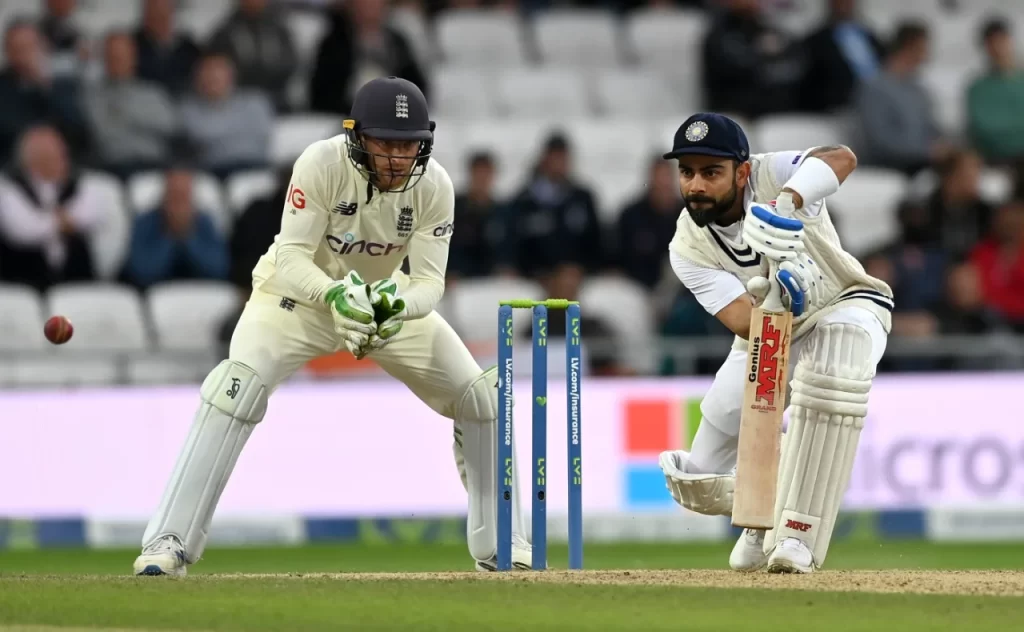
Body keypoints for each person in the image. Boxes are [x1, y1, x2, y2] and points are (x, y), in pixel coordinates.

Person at [133, 77, 531, 576]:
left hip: (381, 307)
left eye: (408, 145)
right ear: (356, 137)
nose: (396, 158)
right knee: (235, 389)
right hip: (296, 300)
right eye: (385, 143)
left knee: (481, 398)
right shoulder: (320, 164)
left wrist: (392, 308)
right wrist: (335, 295)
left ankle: (504, 545)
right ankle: (168, 542)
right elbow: (294, 255)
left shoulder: (435, 188)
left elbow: (429, 284)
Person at [658, 113, 893, 574]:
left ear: (742, 171)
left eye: (711, 172)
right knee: (697, 476)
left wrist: (787, 203)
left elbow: (842, 158)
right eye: (687, 172)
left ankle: (796, 537)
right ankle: (762, 511)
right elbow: (746, 324)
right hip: (768, 334)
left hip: (845, 302)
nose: (696, 185)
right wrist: (782, 294)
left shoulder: (772, 172)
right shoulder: (686, 247)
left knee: (833, 368)